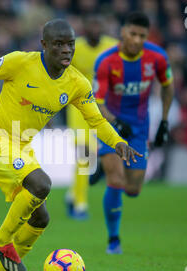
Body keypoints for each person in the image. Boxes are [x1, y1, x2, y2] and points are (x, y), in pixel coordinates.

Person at [0, 19, 141, 271]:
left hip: (22, 146)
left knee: (41, 217)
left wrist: (117, 142)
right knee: (41, 184)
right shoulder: (20, 62)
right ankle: (1, 240)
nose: (66, 50)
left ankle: (6, 269)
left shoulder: (77, 83)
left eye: (70, 44)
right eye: (59, 45)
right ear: (44, 45)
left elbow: (96, 120)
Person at [92, 12, 174, 254]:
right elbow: (97, 102)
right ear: (122, 32)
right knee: (115, 180)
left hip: (139, 127)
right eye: (133, 33)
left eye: (142, 35)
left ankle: (100, 167)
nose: (137, 40)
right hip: (111, 125)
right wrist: (116, 122)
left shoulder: (157, 57)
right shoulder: (106, 61)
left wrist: (165, 122)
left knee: (133, 190)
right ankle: (113, 240)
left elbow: (168, 86)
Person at [65, 14, 119, 220]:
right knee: (84, 154)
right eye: (91, 23)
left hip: (103, 108)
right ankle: (80, 205)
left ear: (103, 26)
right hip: (79, 108)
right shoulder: (74, 47)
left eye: (98, 23)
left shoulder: (112, 47)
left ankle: (72, 194)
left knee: (90, 157)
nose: (95, 28)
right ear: (85, 28)